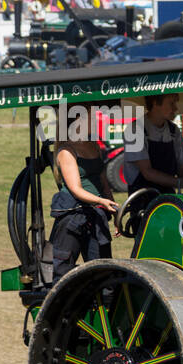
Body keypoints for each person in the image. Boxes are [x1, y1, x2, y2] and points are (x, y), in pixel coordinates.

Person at [48, 111, 119, 281]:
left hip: (95, 214)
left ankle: (102, 305)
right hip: (73, 215)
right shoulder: (66, 150)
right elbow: (76, 189)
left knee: (103, 271)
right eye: (90, 117)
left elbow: (103, 183)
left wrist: (116, 211)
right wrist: (101, 201)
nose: (95, 120)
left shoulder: (93, 144)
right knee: (62, 271)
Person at [124, 94, 183, 195]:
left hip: (168, 198)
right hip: (142, 200)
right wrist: (180, 182)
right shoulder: (134, 130)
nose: (176, 108)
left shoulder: (173, 130)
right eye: (171, 103)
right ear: (155, 103)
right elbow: (147, 172)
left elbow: (181, 168)